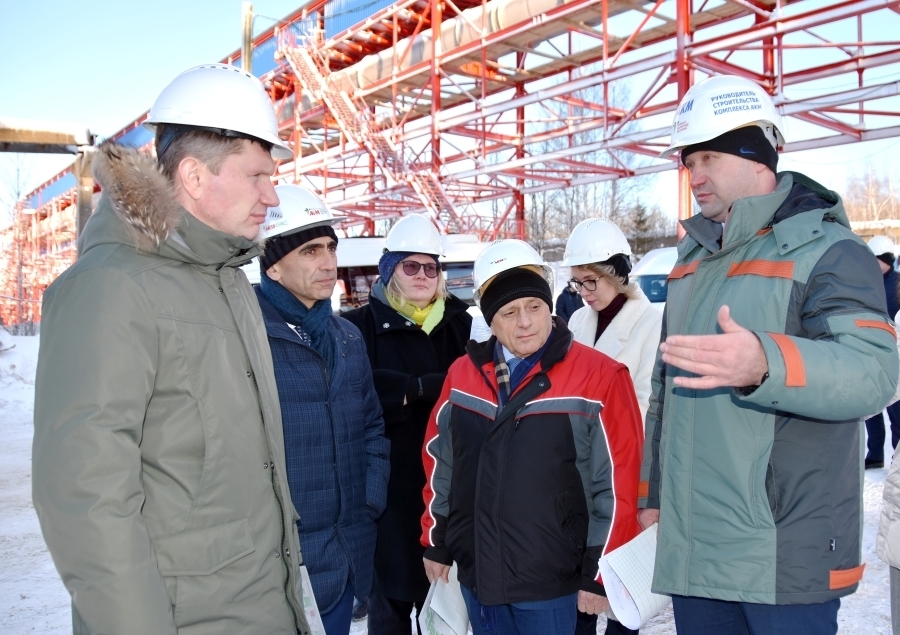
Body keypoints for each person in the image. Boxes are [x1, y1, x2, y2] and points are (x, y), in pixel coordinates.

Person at [32, 64, 311, 634]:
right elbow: (87, 502)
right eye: (258, 175)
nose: (273, 194)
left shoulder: (228, 279)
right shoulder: (110, 288)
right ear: (194, 176)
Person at [639, 74, 898, 635]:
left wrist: (765, 363)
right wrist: (652, 495)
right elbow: (665, 394)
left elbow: (874, 370)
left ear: (756, 154)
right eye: (688, 161)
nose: (694, 175)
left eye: (707, 156)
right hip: (697, 548)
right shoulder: (691, 263)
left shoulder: (829, 251)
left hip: (781, 551)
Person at [421, 239, 644, 635]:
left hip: (551, 582)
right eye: (510, 312)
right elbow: (441, 464)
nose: (526, 322)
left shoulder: (600, 378)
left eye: (535, 307)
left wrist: (599, 572)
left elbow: (617, 485)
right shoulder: (463, 375)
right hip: (479, 575)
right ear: (491, 320)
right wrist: (436, 541)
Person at [255, 185, 391, 635]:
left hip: (345, 556)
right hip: (276, 566)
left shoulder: (346, 338)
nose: (328, 262)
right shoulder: (246, 338)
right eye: (311, 250)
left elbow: (372, 427)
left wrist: (370, 496)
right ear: (273, 264)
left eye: (331, 248)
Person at [343, 214, 472, 635]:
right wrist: (418, 388)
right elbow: (353, 391)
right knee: (391, 612)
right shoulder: (359, 328)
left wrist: (409, 389)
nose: (422, 275)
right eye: (410, 266)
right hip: (390, 491)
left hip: (448, 486)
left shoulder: (463, 325)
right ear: (390, 271)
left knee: (449, 611)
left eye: (430, 267)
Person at [563, 219, 662, 633]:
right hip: (580, 467)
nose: (585, 294)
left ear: (617, 274)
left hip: (625, 468)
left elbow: (645, 403)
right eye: (577, 285)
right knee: (581, 581)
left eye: (592, 282)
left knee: (622, 583)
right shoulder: (578, 324)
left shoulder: (651, 321)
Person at [865, 235, 900, 469]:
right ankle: (875, 452)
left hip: (893, 351)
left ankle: (897, 454)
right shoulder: (867, 281)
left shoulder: (896, 282)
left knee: (896, 409)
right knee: (871, 406)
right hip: (870, 350)